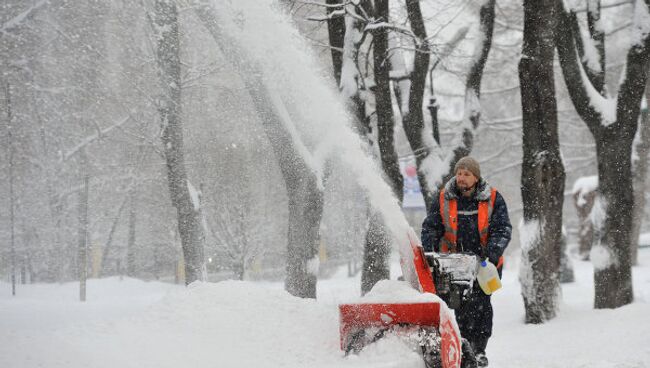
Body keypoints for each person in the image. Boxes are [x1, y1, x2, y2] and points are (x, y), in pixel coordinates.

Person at [421, 156, 512, 367]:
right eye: (459, 173)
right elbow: (431, 227)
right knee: (459, 305)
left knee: (481, 305)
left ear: (476, 177)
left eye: (466, 174)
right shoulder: (444, 197)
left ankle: (479, 349)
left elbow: (502, 229)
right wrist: (430, 251)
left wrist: (491, 255)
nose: (461, 178)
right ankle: (462, 347)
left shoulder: (493, 198)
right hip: (453, 263)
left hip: (484, 265)